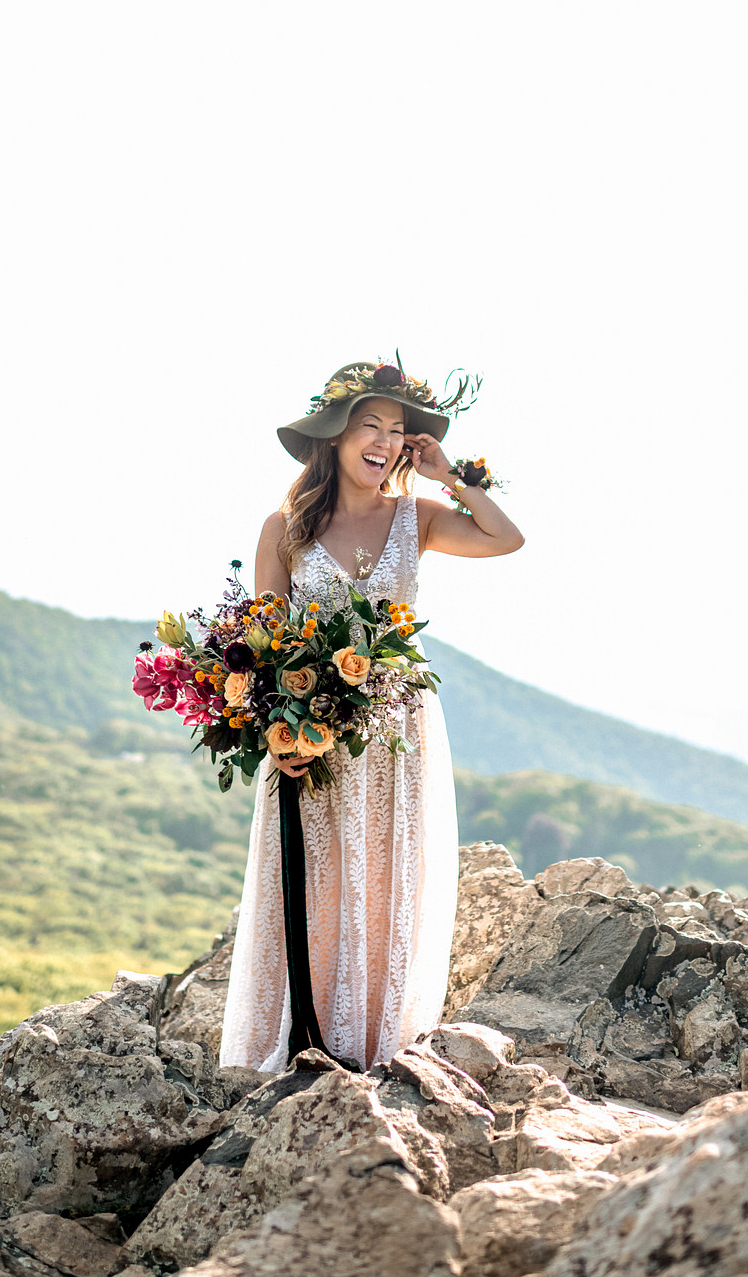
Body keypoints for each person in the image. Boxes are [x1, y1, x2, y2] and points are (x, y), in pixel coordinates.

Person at [218, 361, 524, 1072]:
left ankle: (375, 1046)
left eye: (397, 430)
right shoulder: (285, 527)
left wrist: (450, 476)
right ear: (334, 435)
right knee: (318, 884)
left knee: (388, 881)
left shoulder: (419, 518)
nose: (384, 441)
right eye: (369, 426)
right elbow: (261, 644)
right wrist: (276, 733)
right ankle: (299, 1043)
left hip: (397, 729)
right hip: (312, 733)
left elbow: (505, 538)